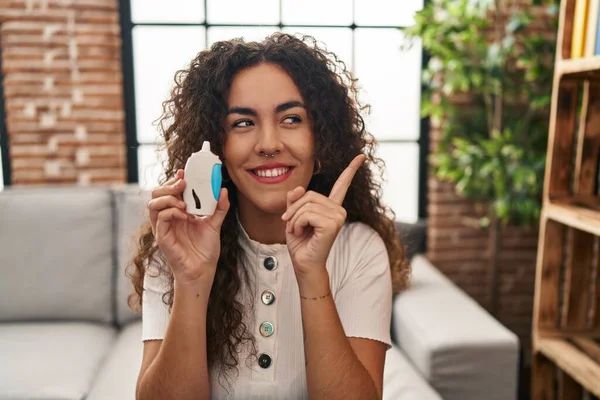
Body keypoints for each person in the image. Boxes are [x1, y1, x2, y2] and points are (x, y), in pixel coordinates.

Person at [129, 32, 409, 400]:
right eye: (242, 123)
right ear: (217, 145)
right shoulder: (176, 245)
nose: (268, 144)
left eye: (291, 119)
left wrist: (312, 276)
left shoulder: (358, 249)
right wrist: (192, 279)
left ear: (321, 138)